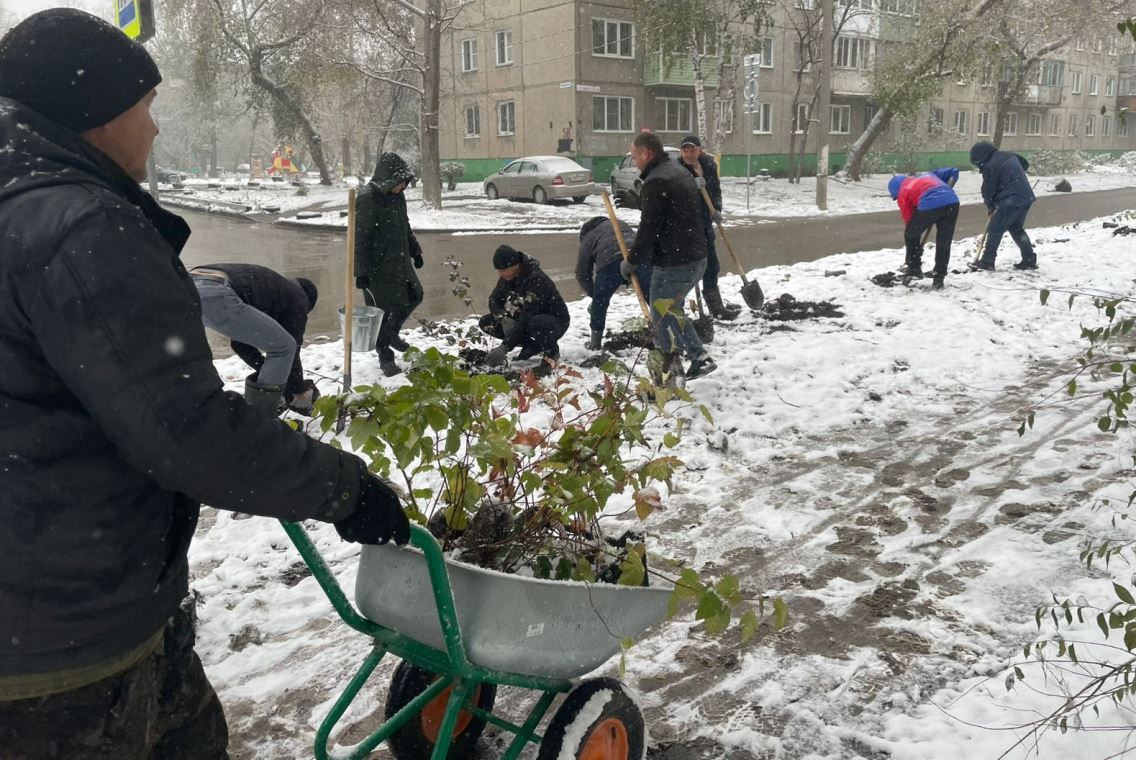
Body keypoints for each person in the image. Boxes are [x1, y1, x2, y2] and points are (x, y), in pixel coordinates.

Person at [0, 10, 409, 759]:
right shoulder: (84, 228)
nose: (155, 129)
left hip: (55, 593)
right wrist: (346, 489)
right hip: (68, 636)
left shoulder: (22, 208)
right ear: (97, 113)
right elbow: (184, 428)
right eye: (146, 106)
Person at [621, 131, 716, 380]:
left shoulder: (656, 182)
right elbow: (672, 211)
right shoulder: (677, 170)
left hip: (675, 262)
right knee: (673, 310)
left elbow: (648, 229)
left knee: (662, 314)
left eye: (634, 156)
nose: (634, 162)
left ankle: (676, 365)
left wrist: (631, 261)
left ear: (646, 153)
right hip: (696, 256)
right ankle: (688, 358)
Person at [191, 263, 322, 414]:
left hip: (184, 285)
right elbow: (291, 350)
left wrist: (271, 372)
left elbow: (241, 345)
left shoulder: (273, 289)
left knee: (180, 360)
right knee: (284, 348)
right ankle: (261, 421)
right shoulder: (299, 297)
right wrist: (297, 388)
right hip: (215, 292)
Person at [355, 152, 425, 377]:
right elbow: (360, 238)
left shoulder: (398, 197)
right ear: (388, 179)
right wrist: (361, 272)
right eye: (400, 181)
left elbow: (405, 225)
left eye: (405, 181)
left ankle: (392, 333)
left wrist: (415, 249)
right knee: (382, 314)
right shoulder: (367, 198)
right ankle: (385, 356)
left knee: (415, 294)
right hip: (378, 268)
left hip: (400, 261)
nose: (404, 186)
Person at [678, 135, 741, 320]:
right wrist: (690, 185)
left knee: (712, 265)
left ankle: (716, 308)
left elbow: (716, 190)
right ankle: (677, 310)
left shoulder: (709, 166)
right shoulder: (677, 169)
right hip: (687, 226)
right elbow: (674, 195)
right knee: (689, 269)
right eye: (685, 151)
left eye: (692, 150)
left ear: (700, 150)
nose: (688, 154)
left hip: (705, 222)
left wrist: (717, 209)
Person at [480, 245, 570, 365]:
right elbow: (494, 299)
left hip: (554, 321)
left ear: (515, 265)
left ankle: (551, 352)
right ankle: (532, 346)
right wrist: (502, 317)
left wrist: (505, 347)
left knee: (536, 322)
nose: (501, 273)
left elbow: (527, 316)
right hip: (524, 318)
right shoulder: (507, 278)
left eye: (504, 269)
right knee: (486, 322)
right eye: (499, 270)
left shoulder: (536, 279)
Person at [575, 216, 651, 351]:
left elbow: (582, 273)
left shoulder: (588, 237)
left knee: (600, 303)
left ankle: (595, 343)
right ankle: (668, 333)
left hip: (610, 261)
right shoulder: (619, 222)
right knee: (653, 297)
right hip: (637, 258)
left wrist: (594, 295)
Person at [887, 167, 961, 290]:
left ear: (896, 190)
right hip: (952, 202)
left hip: (930, 204)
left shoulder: (903, 191)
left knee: (910, 234)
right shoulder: (928, 174)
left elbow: (909, 220)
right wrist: (946, 189)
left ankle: (914, 268)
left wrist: (914, 248)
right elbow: (954, 171)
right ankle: (939, 276)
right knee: (944, 241)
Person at [969, 141, 1037, 271]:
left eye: (978, 163)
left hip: (1011, 200)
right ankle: (1029, 259)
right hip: (1026, 197)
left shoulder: (990, 165)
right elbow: (1024, 164)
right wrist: (1013, 176)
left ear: (982, 157)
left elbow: (988, 190)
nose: (980, 166)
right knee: (1016, 229)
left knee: (995, 229)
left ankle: (987, 261)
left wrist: (990, 206)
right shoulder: (1009, 155)